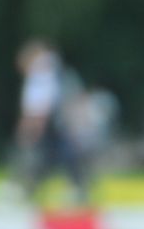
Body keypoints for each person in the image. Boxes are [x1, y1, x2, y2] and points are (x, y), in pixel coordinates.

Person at [11, 40, 89, 204]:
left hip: (54, 122)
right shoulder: (56, 70)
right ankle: (76, 189)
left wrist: (31, 127)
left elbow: (40, 103)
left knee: (40, 156)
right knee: (58, 156)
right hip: (59, 122)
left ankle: (26, 189)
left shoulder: (41, 71)